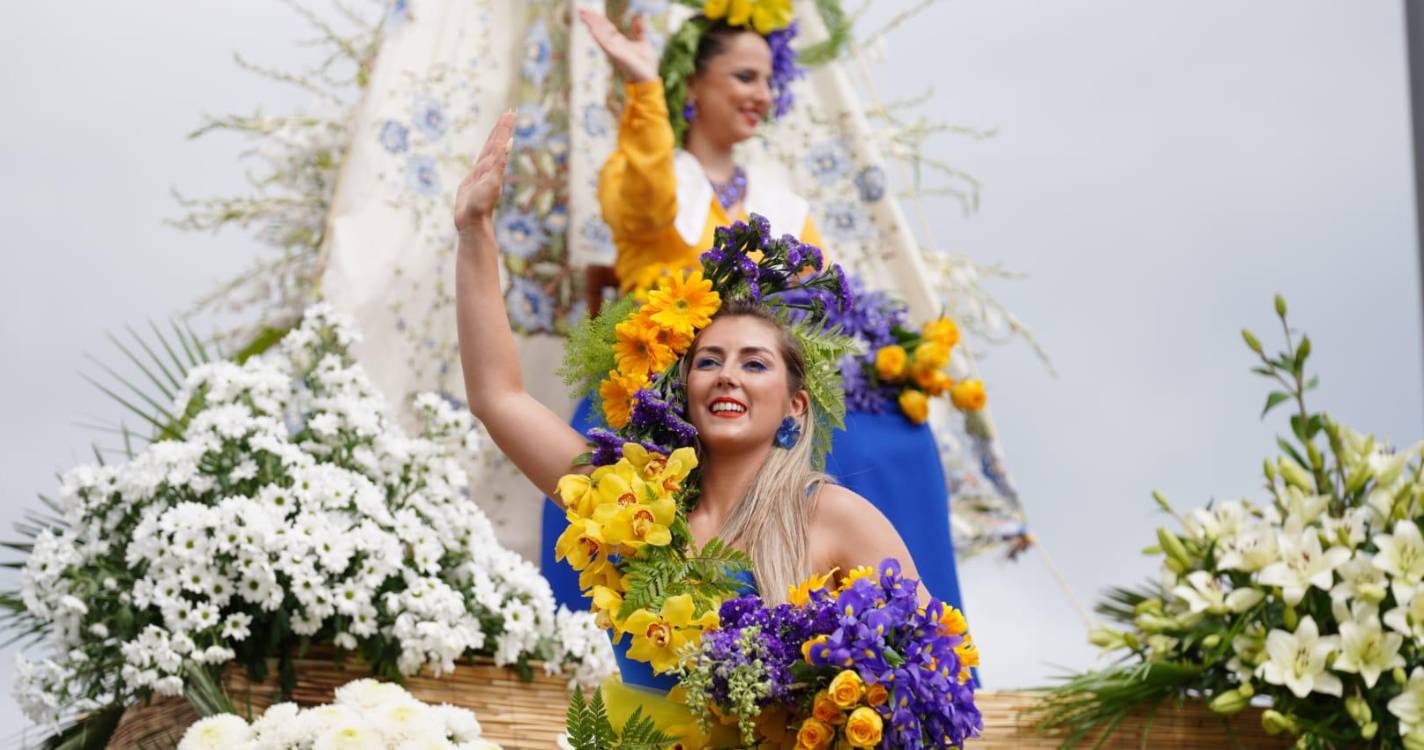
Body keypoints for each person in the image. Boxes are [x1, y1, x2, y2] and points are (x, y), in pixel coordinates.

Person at [455, 113, 929, 734]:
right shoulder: (633, 506)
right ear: (687, 388)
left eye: (754, 364)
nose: (727, 375)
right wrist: (475, 229)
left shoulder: (833, 517)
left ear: (795, 405)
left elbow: (922, 678)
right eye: (709, 361)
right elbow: (499, 397)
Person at [537, 8, 968, 621]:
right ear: (694, 85)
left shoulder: (781, 199)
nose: (761, 96)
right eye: (744, 78)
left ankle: (894, 644)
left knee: (901, 436)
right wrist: (642, 88)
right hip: (666, 382)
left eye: (768, 81)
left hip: (759, 389)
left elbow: (818, 302)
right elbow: (641, 205)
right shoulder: (655, 176)